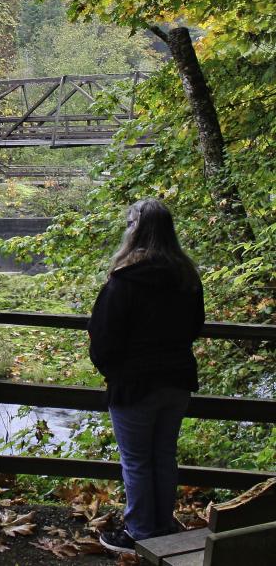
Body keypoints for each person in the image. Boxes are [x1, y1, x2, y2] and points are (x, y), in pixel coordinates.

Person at [87, 198, 205, 554]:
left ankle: (139, 532)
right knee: (164, 455)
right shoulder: (187, 278)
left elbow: (103, 337)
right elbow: (194, 327)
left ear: (134, 229)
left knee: (136, 460)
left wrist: (113, 373)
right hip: (177, 379)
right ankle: (164, 525)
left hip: (135, 384)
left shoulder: (124, 282)